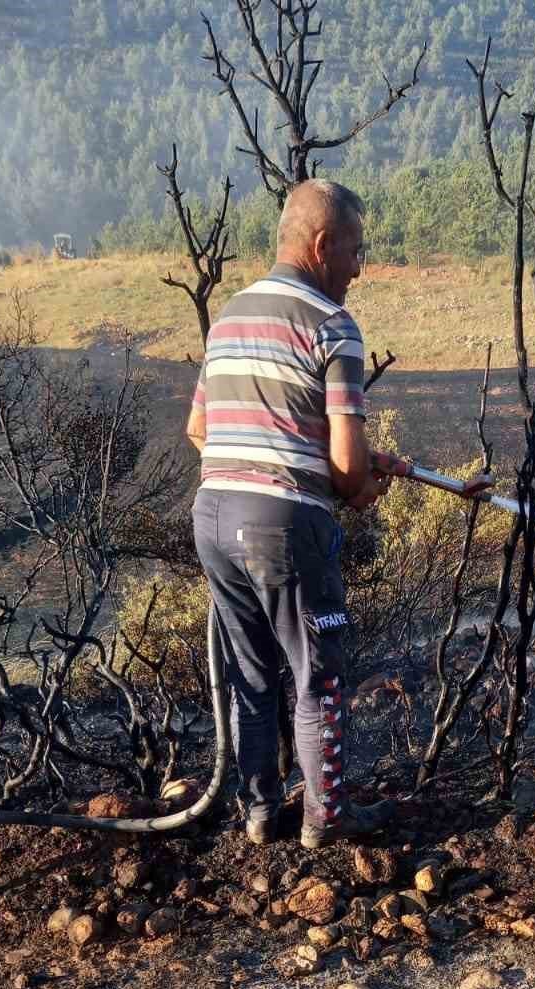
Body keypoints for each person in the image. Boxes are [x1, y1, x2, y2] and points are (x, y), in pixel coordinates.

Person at [184, 179, 392, 849]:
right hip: (283, 526)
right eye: (355, 253)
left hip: (213, 516)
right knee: (316, 671)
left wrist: (278, 460)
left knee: (250, 670)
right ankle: (326, 819)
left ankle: (259, 814)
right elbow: (349, 473)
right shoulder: (333, 327)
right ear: (323, 244)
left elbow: (198, 429)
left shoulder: (230, 317)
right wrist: (359, 482)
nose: (358, 270)